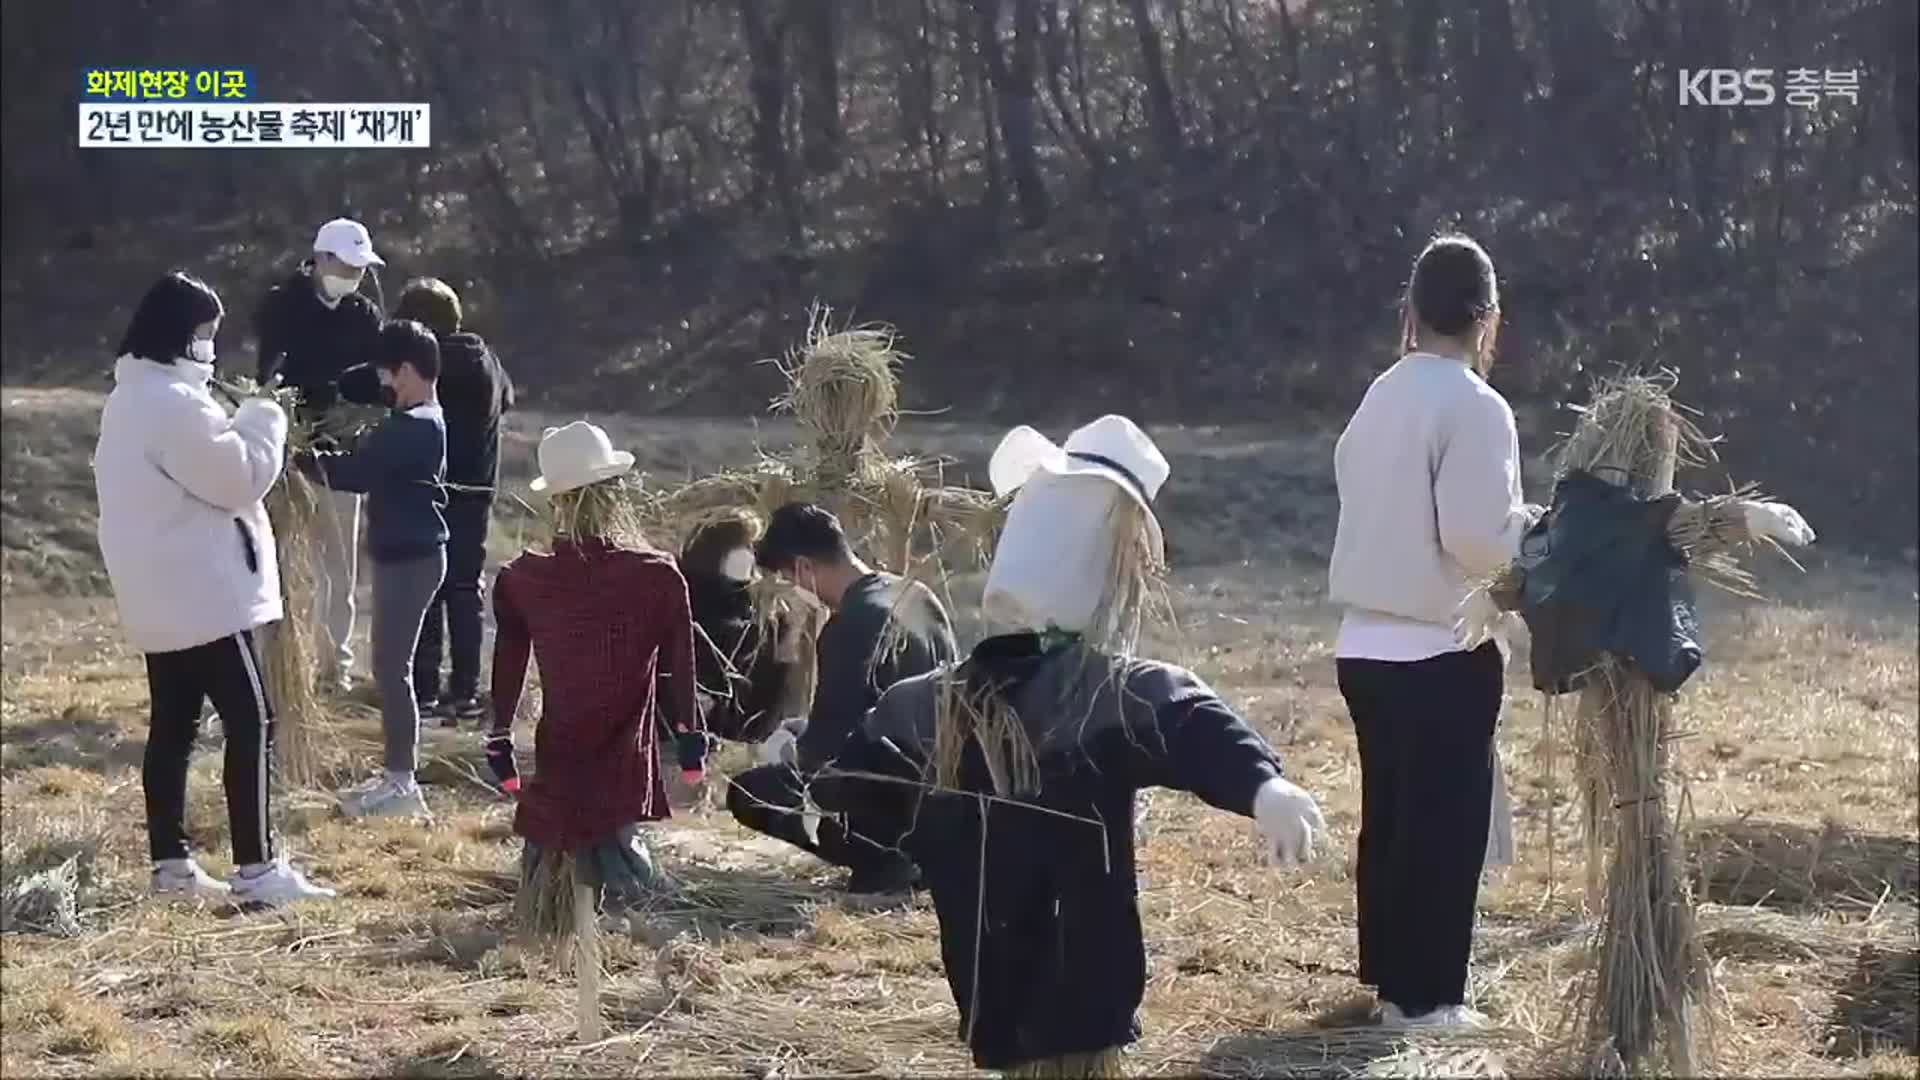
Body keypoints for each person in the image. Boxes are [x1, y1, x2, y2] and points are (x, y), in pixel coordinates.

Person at [811, 415, 1327, 1075]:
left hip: (992, 985)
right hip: (1077, 990)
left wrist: (1261, 783)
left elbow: (854, 787)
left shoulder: (936, 699)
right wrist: (1264, 784)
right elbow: (1187, 716)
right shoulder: (1099, 694)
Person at [1327, 234, 1537, 1030]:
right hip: (1440, 645)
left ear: (1411, 312)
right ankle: (1432, 1001)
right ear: (1488, 319)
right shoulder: (1476, 406)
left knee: (1392, 817)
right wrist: (1539, 536)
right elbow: (1479, 537)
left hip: (1364, 648)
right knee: (1446, 826)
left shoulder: (1382, 392)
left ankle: (1391, 984)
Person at [93, 270, 335, 906]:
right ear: (178, 333)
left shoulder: (135, 397)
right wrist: (264, 416)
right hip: (201, 591)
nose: (210, 346)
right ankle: (257, 868)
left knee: (173, 724)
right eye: (203, 334)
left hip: (165, 590)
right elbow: (236, 476)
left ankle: (171, 864)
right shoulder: (171, 403)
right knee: (252, 719)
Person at [485, 421, 707, 911]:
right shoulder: (656, 577)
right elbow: (681, 669)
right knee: (625, 878)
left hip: (559, 757)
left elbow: (507, 667)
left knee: (551, 866)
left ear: (557, 503)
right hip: (620, 756)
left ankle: (554, 903)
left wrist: (499, 736)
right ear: (614, 496)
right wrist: (692, 740)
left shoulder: (524, 579)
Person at [724, 502, 957, 895]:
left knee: (749, 790)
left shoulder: (851, 624)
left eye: (788, 579)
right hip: (947, 795)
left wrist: (789, 748)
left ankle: (882, 860)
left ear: (803, 568)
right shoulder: (915, 593)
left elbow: (827, 750)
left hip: (892, 802)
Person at [297, 320, 448, 820]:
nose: (382, 384)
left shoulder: (413, 429)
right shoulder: (419, 415)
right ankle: (394, 775)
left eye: (388, 374)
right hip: (404, 556)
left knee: (391, 670)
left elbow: (354, 474)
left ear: (406, 372)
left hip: (411, 559)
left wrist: (300, 459)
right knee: (389, 667)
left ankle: (403, 784)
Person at [254, 217, 386, 694]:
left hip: (344, 456)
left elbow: (376, 383)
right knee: (285, 563)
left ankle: (336, 669)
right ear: (322, 258)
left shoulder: (364, 315)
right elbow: (268, 376)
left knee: (339, 570)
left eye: (360, 269)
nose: (353, 277)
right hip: (289, 453)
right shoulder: (281, 306)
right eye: (347, 266)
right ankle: (282, 664)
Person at [391, 277, 515, 726]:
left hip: (433, 489)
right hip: (476, 492)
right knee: (465, 589)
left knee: (426, 587)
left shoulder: (432, 368)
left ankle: (423, 688)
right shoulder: (487, 360)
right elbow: (509, 401)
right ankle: (464, 688)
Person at [671, 510, 800, 748]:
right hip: (718, 733)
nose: (755, 556)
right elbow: (759, 709)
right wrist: (783, 642)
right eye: (749, 547)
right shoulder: (729, 622)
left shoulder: (682, 592)